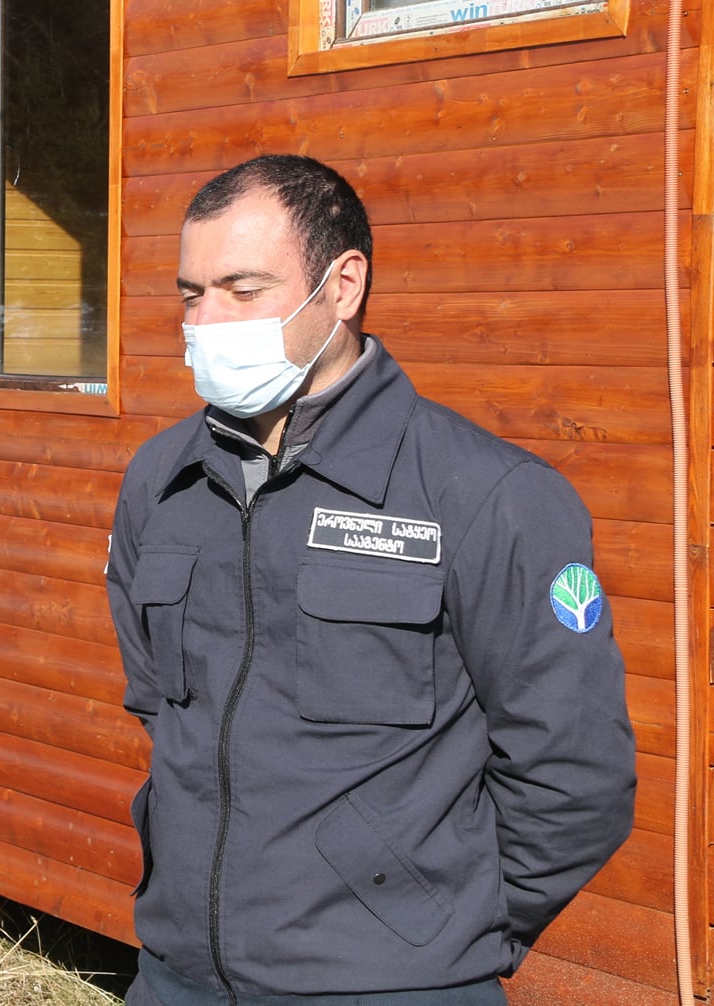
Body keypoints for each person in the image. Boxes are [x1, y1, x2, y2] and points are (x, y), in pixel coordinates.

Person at [104, 155, 634, 1004]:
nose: (206, 322)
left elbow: (574, 770)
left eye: (243, 290)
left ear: (343, 286)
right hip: (179, 976)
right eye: (192, 295)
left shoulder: (486, 494)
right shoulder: (163, 481)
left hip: (394, 984)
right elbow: (162, 709)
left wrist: (445, 931)